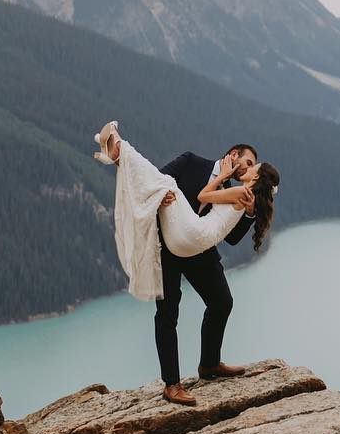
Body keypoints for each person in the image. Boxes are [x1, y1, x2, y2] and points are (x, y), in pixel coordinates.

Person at [94, 121, 279, 406]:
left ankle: (209, 364)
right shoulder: (192, 162)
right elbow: (154, 182)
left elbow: (230, 238)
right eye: (249, 161)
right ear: (233, 154)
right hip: (166, 248)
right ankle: (172, 384)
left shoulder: (233, 188)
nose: (249, 167)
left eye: (253, 165)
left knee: (222, 302)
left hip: (199, 250)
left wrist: (252, 213)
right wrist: (160, 197)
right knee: (168, 313)